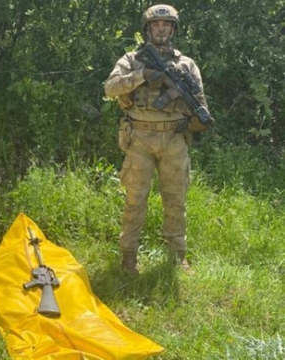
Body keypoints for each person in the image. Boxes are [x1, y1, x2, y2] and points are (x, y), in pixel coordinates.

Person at [103, 4, 210, 276]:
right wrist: (142, 76)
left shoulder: (186, 64)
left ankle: (177, 256)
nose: (161, 29)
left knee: (176, 200)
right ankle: (129, 256)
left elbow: (199, 102)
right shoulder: (132, 60)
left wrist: (199, 118)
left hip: (175, 139)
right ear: (148, 29)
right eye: (156, 25)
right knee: (135, 199)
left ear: (173, 29)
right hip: (139, 137)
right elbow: (110, 88)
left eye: (166, 25)